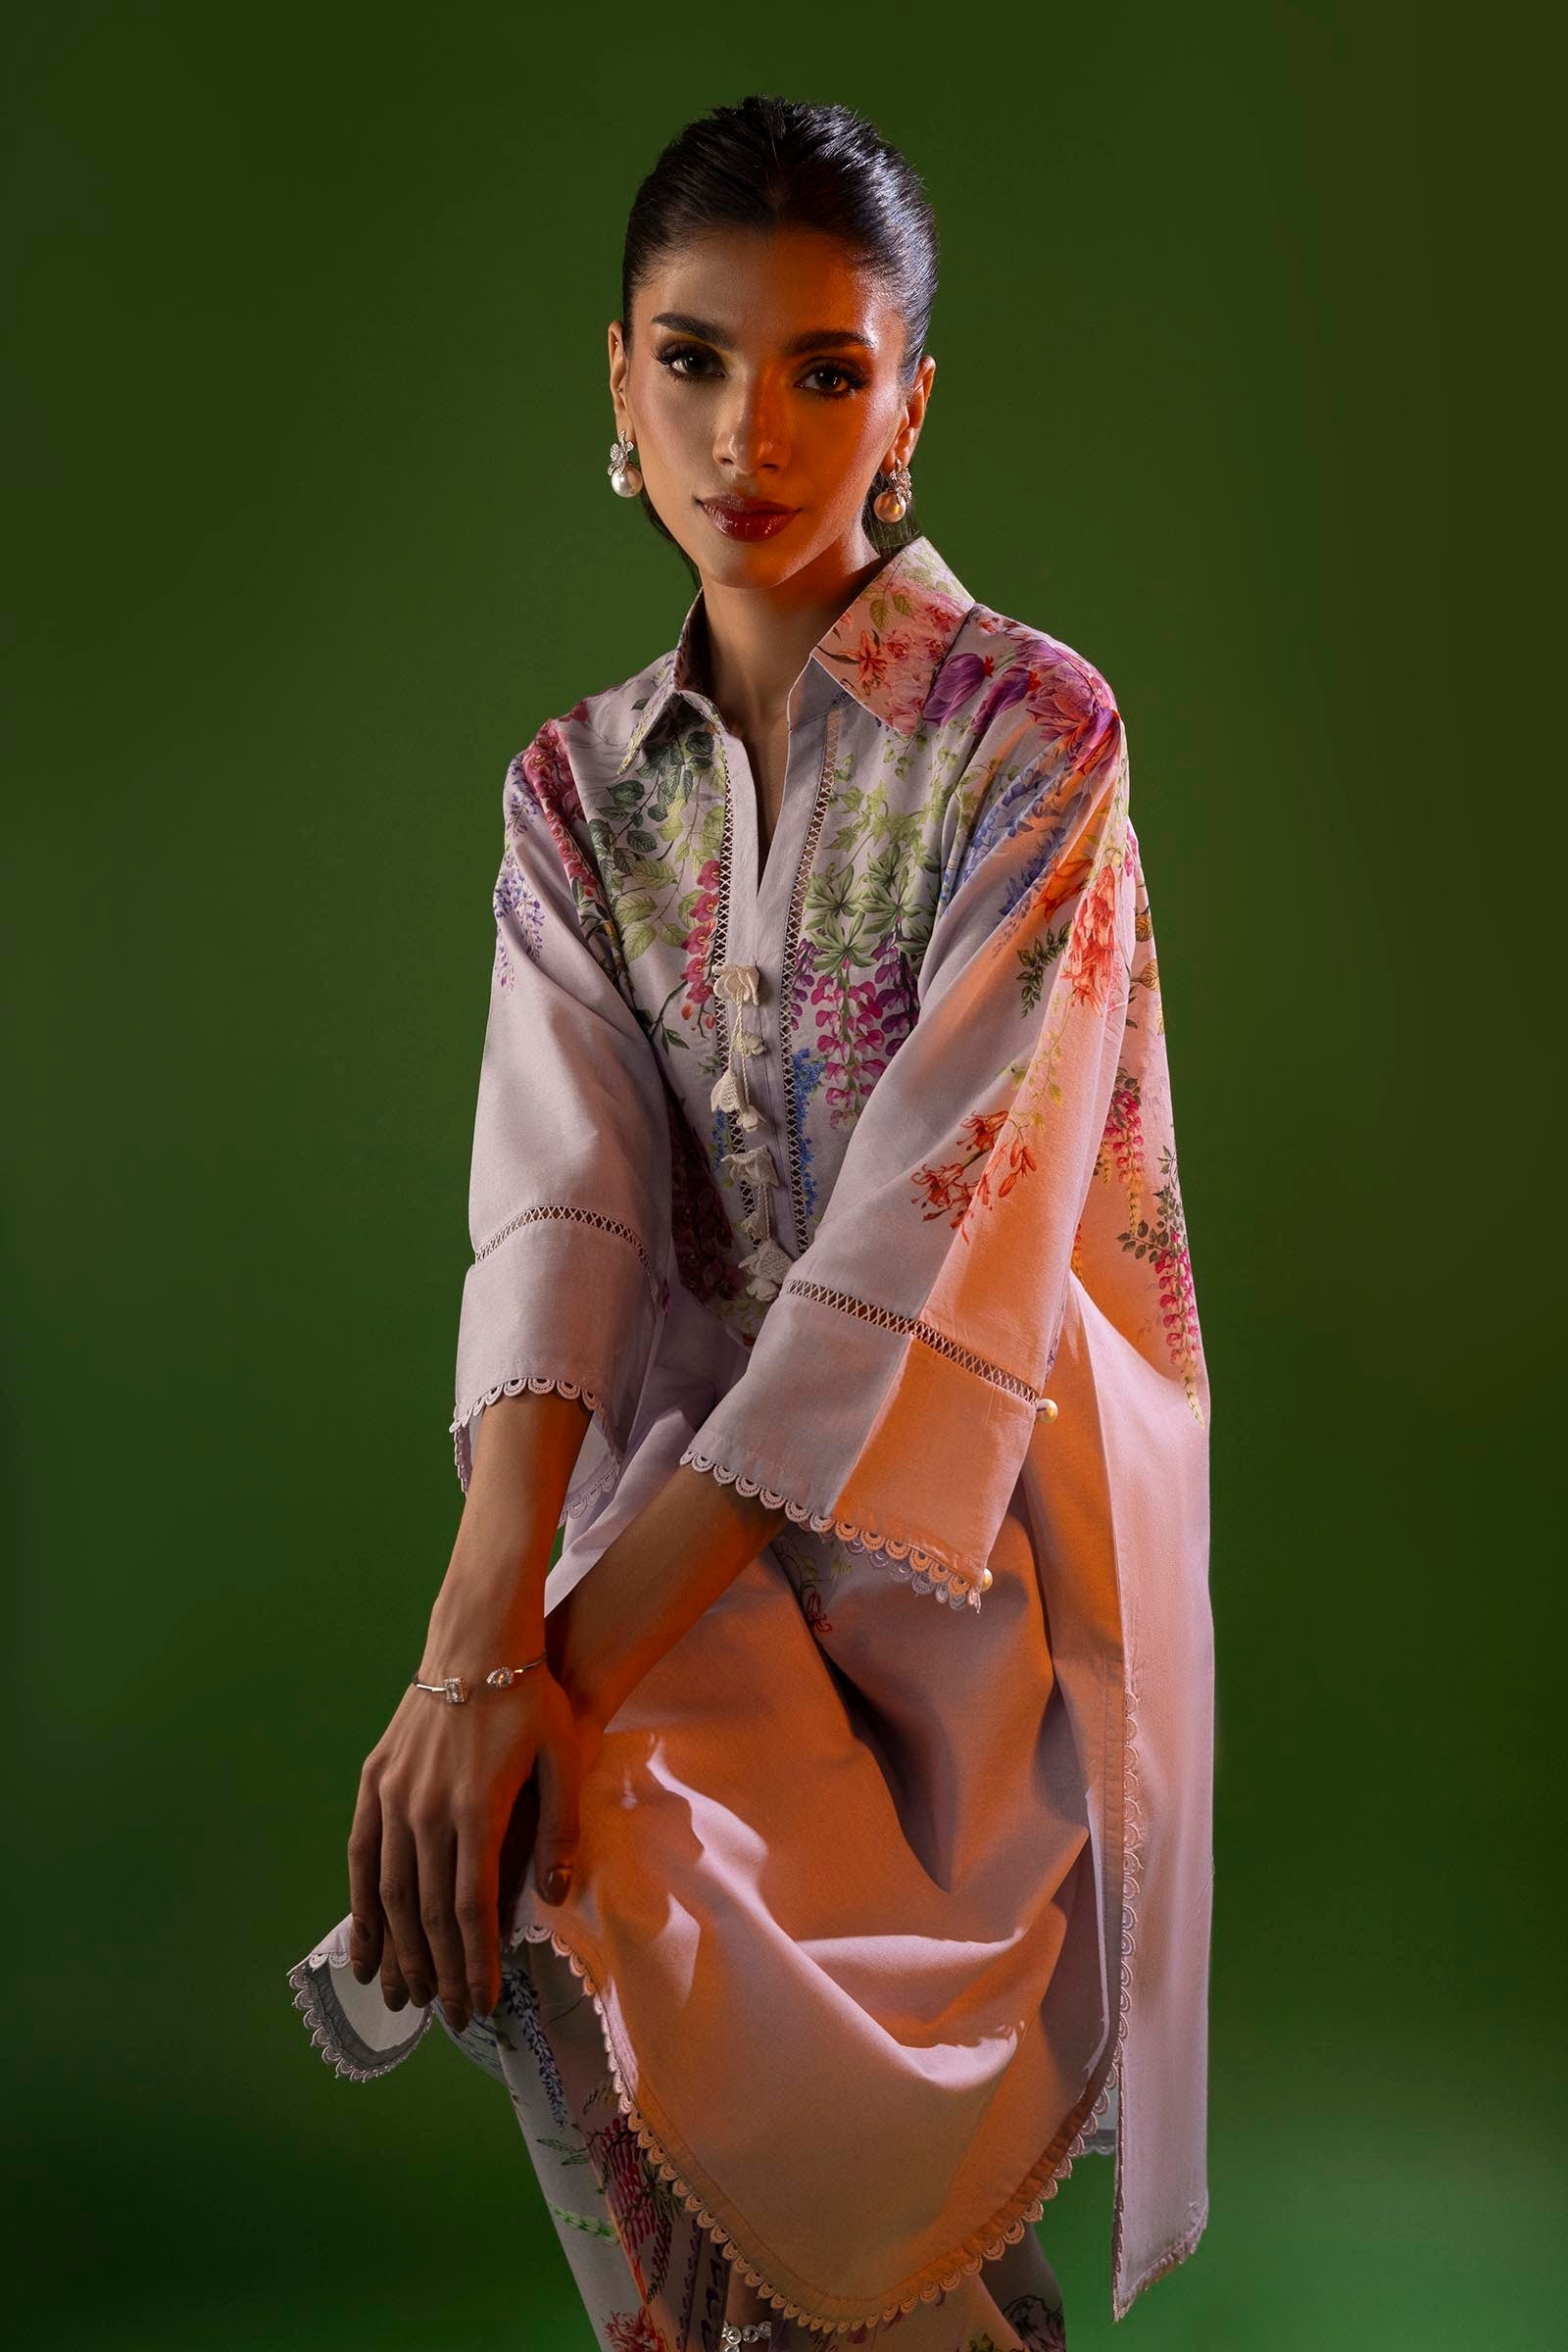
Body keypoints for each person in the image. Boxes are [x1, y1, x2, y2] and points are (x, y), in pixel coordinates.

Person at [287, 93, 1214, 2352]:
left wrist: (540, 1672)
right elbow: (561, 1221)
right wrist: (477, 1648)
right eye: (695, 361)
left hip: (966, 1542)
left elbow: (919, 1259)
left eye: (822, 368)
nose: (748, 432)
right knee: (558, 1866)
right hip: (683, 1541)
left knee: (643, 1871)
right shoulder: (577, 793)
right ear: (617, 381)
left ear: (908, 404)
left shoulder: (1028, 738)